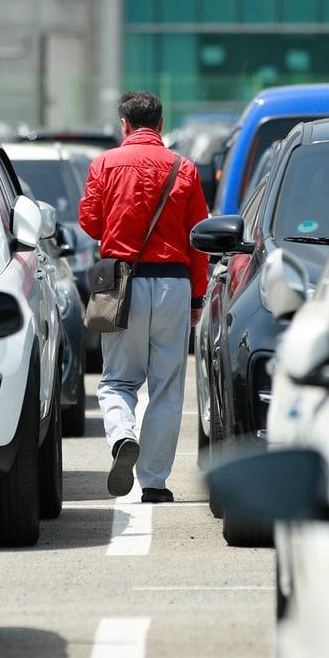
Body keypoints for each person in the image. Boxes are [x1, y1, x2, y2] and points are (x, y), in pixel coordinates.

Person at [79, 91, 210, 503]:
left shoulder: (104, 164)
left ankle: (121, 438)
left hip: (122, 285)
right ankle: (154, 483)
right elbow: (198, 239)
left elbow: (89, 221)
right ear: (161, 123)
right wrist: (197, 298)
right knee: (167, 385)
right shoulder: (183, 167)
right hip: (173, 282)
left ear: (124, 124)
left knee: (118, 380)